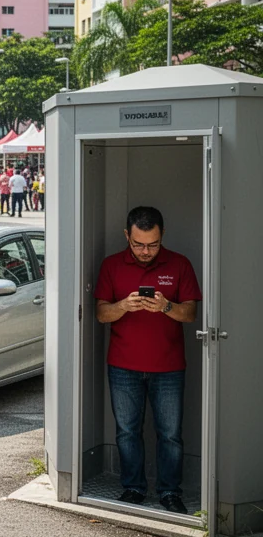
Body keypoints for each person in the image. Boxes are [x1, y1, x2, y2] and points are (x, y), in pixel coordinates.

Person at [94, 207, 201, 514]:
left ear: (162, 236)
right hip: (122, 365)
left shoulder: (179, 264)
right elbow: (102, 314)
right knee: (127, 430)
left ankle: (170, 492)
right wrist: (124, 305)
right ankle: (133, 488)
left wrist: (167, 307)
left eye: (152, 244)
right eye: (138, 244)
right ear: (127, 235)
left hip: (169, 367)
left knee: (170, 434)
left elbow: (191, 314)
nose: (145, 251)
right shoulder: (112, 265)